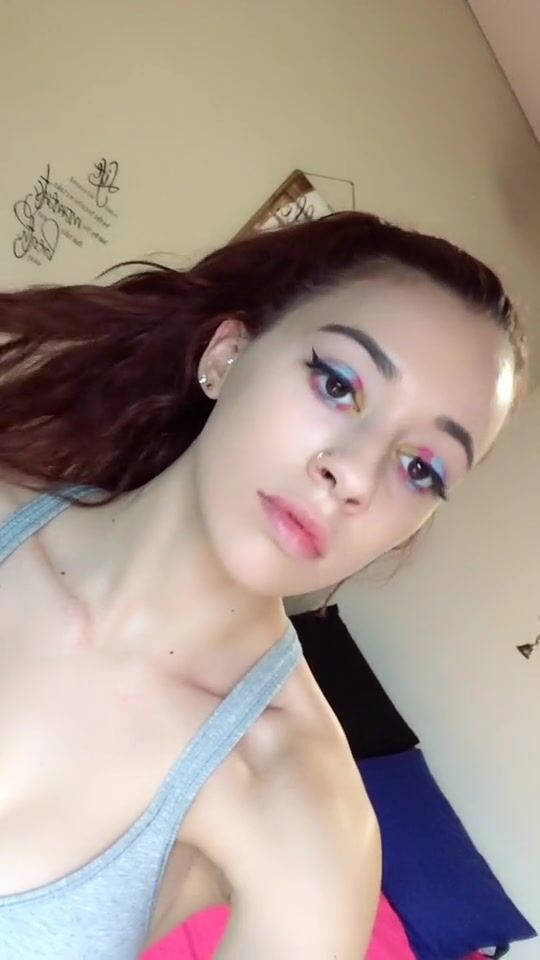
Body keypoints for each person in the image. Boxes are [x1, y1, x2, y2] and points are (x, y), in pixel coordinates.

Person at [0, 212, 526, 959]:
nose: (353, 474)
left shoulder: (306, 812)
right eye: (339, 385)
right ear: (226, 355)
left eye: (420, 468)